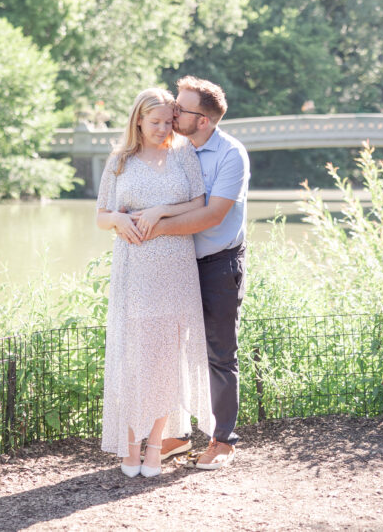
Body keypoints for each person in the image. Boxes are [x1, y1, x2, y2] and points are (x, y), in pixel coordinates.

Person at [95, 87, 215, 478]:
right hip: (135, 270)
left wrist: (161, 211)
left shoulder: (184, 155)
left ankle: (154, 451)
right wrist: (119, 220)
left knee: (166, 357)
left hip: (175, 267)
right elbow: (101, 215)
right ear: (139, 121)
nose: (163, 128)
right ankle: (130, 449)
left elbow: (199, 205)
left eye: (169, 121)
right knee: (135, 359)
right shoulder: (119, 161)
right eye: (156, 122)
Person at [139, 75, 250, 470]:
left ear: (202, 120)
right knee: (171, 352)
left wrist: (154, 227)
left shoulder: (231, 155)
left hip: (219, 264)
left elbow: (212, 214)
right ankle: (177, 437)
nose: (171, 112)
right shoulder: (175, 147)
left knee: (219, 354)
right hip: (177, 263)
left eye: (180, 108)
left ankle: (223, 442)